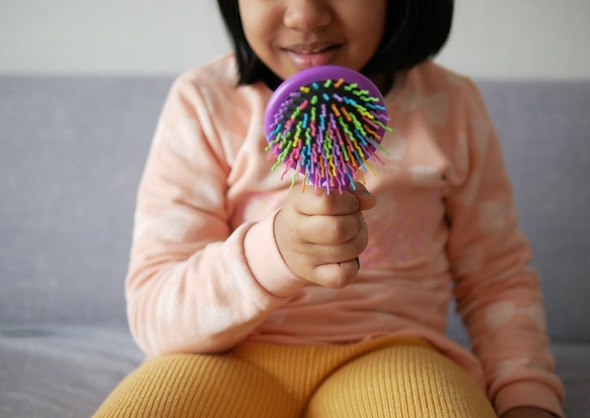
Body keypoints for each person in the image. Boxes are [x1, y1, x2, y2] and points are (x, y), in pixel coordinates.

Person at [95, 0, 565, 417]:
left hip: (393, 356)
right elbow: (156, 306)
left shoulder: (453, 106)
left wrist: (526, 395)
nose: (304, 14)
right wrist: (276, 251)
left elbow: (497, 278)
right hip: (221, 357)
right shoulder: (204, 103)